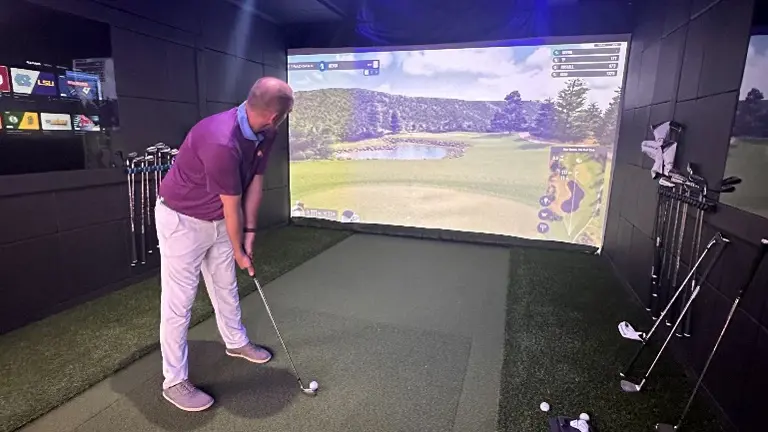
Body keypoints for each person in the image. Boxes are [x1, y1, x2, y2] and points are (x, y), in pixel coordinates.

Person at [155, 77, 294, 412]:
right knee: (179, 303)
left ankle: (235, 342)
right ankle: (174, 381)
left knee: (225, 285)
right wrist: (239, 250)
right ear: (275, 116)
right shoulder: (220, 140)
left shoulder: (266, 132)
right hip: (182, 221)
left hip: (218, 217)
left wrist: (250, 233)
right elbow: (232, 205)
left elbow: (255, 184)